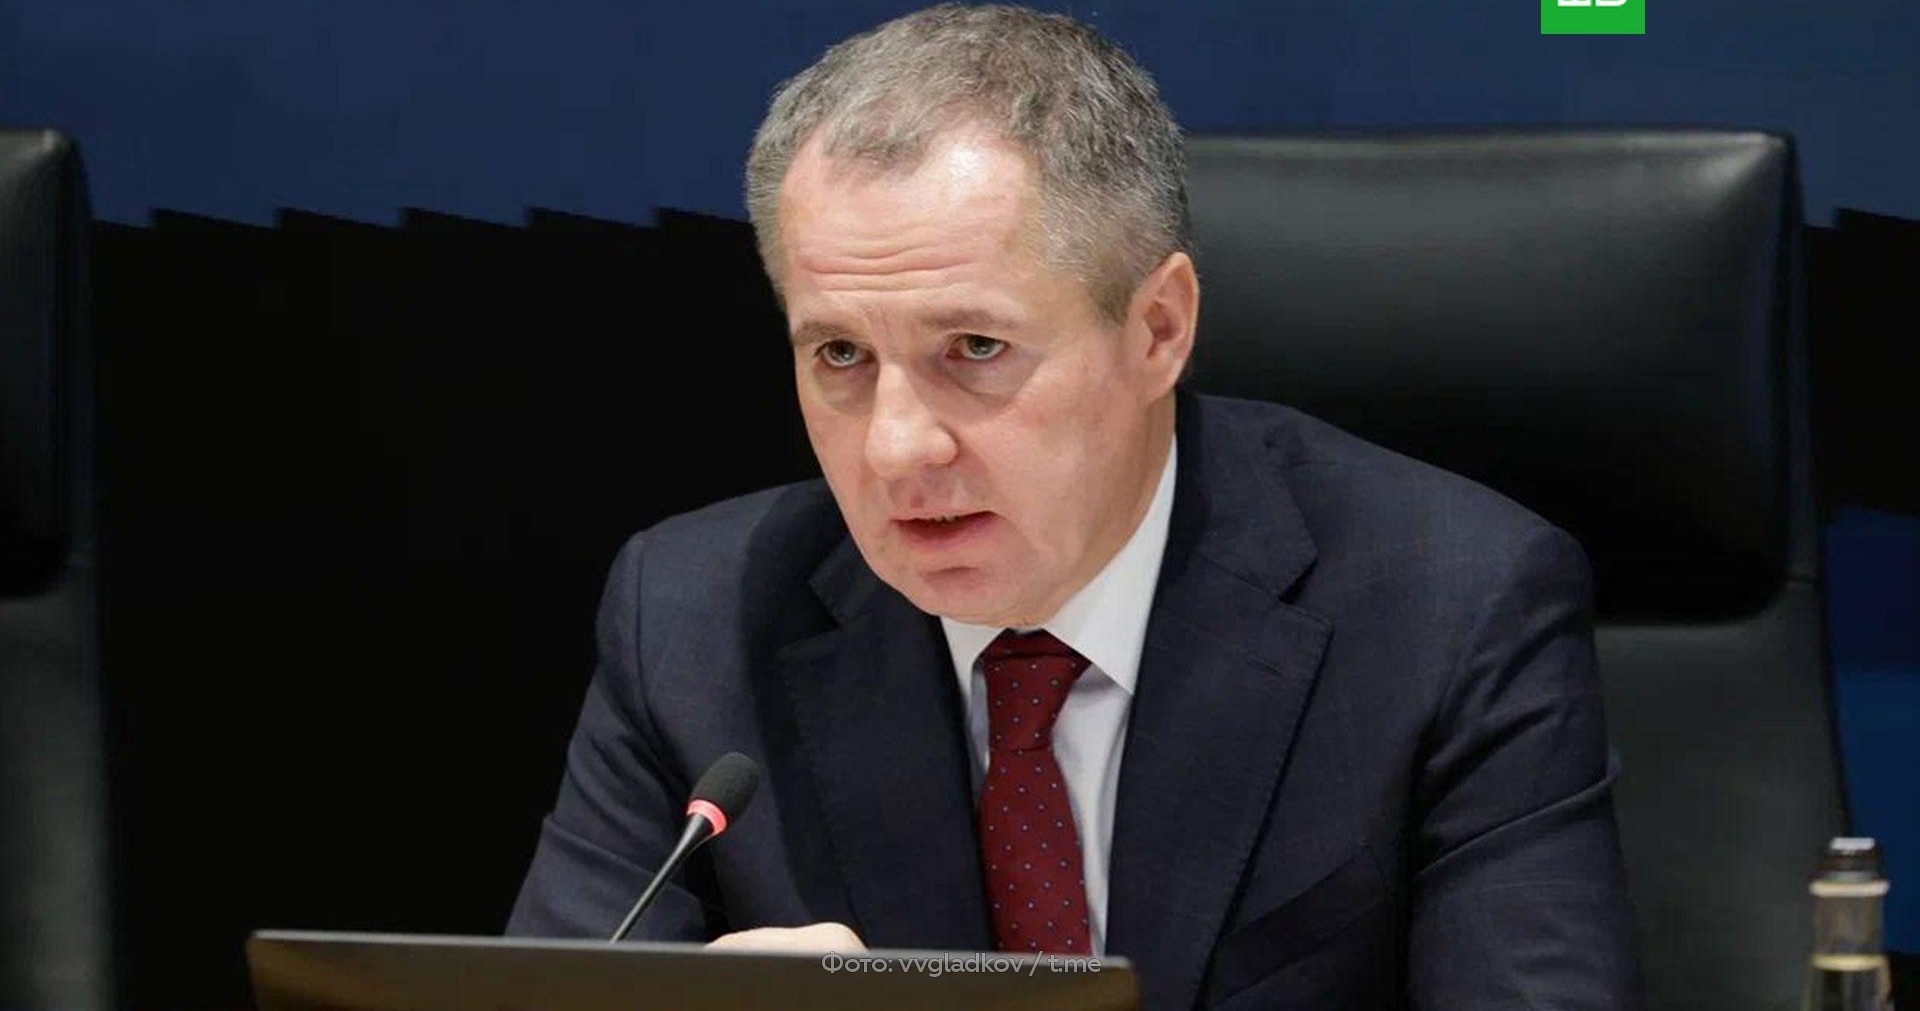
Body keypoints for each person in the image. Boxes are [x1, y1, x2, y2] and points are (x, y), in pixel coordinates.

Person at [507, 5, 1645, 1008]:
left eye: (975, 347)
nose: (898, 447)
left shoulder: (1448, 607)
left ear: (1158, 330)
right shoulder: (693, 622)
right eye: (840, 353)